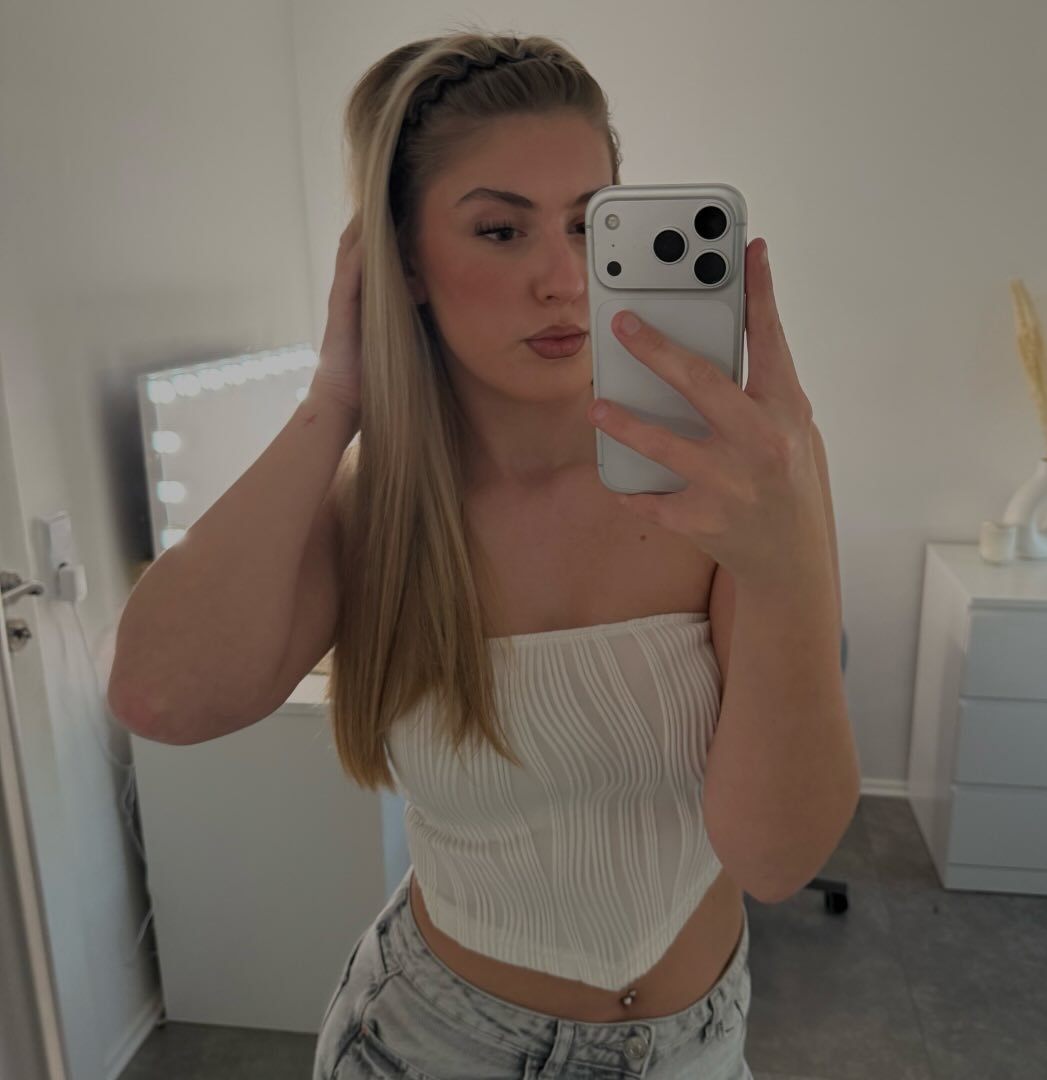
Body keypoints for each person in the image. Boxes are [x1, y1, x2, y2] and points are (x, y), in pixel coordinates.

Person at [108, 27, 857, 1080]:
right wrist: (335, 396)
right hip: (434, 1044)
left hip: (698, 1048)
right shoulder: (380, 510)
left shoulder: (733, 483)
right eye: (501, 231)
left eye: (590, 225)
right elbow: (158, 699)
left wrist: (785, 568)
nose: (564, 279)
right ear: (404, 264)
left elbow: (777, 858)